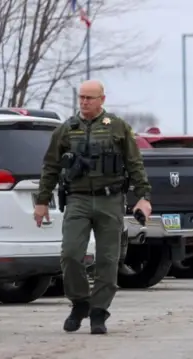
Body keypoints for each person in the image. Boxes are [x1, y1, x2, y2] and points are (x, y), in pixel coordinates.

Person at [34, 80, 152, 334]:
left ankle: (99, 311)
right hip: (78, 199)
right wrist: (42, 201)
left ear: (102, 99)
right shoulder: (67, 129)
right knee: (70, 255)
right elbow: (51, 166)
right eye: (81, 98)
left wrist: (143, 197)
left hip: (110, 200)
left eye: (90, 98)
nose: (84, 102)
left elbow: (135, 164)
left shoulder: (118, 127)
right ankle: (80, 302)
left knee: (108, 259)